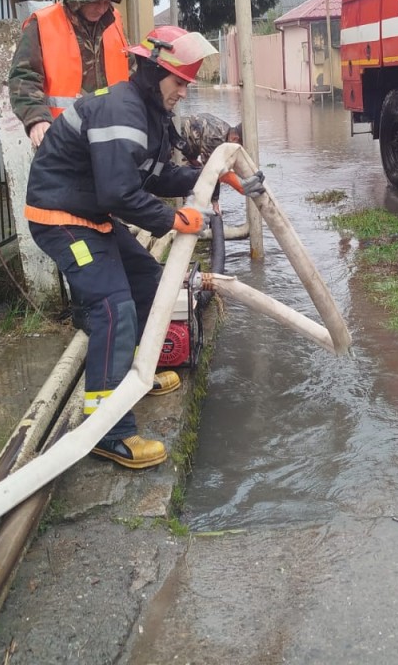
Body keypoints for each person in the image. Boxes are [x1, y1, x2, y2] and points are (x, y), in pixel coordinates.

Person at [22, 26, 262, 468]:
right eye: (180, 82)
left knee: (149, 282)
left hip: (90, 217)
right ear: (154, 75)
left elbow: (150, 178)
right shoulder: (123, 110)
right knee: (113, 305)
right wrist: (173, 219)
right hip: (61, 220)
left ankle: (135, 374)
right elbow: (119, 193)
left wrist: (207, 176)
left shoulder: (149, 115)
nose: (185, 93)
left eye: (188, 83)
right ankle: (108, 430)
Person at [8, 0, 131, 149]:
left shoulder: (114, 21)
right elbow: (24, 78)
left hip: (110, 136)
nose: (101, 8)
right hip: (61, 138)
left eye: (106, 1)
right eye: (95, 1)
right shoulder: (42, 24)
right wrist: (36, 119)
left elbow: (130, 69)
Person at [172, 112, 243, 167]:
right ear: (234, 138)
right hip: (175, 137)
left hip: (185, 140)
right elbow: (210, 169)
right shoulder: (217, 139)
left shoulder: (225, 128)